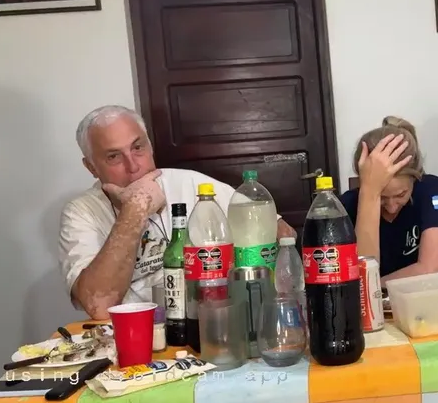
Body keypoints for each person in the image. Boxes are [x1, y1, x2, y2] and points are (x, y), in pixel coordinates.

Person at [59, 105, 295, 319]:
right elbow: (99, 306)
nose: (133, 166)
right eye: (113, 156)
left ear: (150, 146)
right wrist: (134, 211)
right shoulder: (81, 212)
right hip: (138, 331)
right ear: (91, 167)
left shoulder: (191, 183)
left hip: (210, 321)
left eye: (138, 148)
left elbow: (282, 233)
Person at [340, 117, 438, 280]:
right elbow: (363, 275)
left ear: (415, 178)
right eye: (382, 197)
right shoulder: (347, 204)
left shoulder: (430, 188)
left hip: (425, 292)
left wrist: (376, 285)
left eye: (401, 195)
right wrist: (369, 194)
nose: (392, 207)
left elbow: (433, 268)